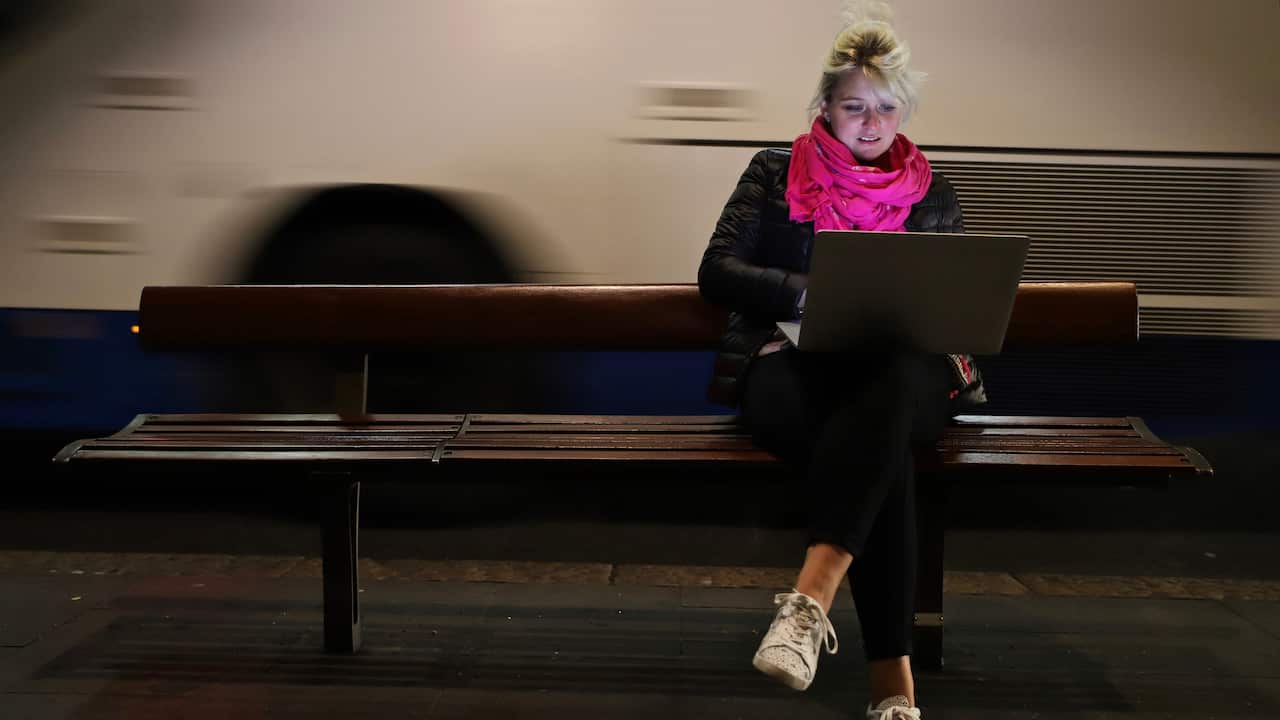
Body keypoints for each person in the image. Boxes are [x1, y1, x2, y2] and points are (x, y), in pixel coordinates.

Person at [697, 6, 985, 719]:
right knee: (880, 450)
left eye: (886, 107)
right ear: (824, 106)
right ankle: (894, 689)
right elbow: (716, 270)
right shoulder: (773, 172)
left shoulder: (931, 193)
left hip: (904, 373)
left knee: (883, 390)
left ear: (904, 110)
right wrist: (808, 293)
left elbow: (948, 307)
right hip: (793, 369)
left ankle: (809, 603)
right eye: (854, 106)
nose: (870, 122)